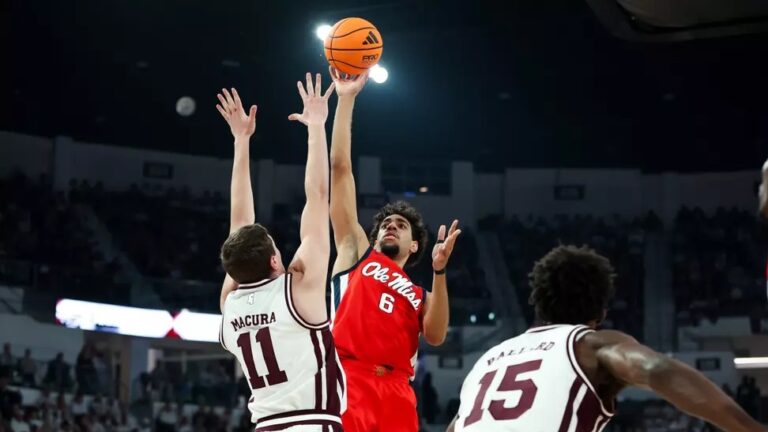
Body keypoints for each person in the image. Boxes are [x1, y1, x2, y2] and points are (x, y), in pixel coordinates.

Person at [447, 245, 766, 432]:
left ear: (538, 304)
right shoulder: (589, 344)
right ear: (599, 313)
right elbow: (657, 370)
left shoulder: (488, 360)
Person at [327, 66, 462, 432]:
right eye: (386, 223)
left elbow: (435, 335)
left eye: (400, 226)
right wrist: (346, 99)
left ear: (413, 244)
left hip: (398, 391)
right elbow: (340, 171)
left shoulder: (420, 293)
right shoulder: (358, 252)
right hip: (347, 378)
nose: (391, 225)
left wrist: (439, 271)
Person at [217, 74, 344, 431]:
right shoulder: (298, 289)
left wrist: (242, 141)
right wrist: (317, 127)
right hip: (312, 423)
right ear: (275, 260)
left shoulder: (231, 305)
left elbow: (239, 227)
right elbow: (318, 197)